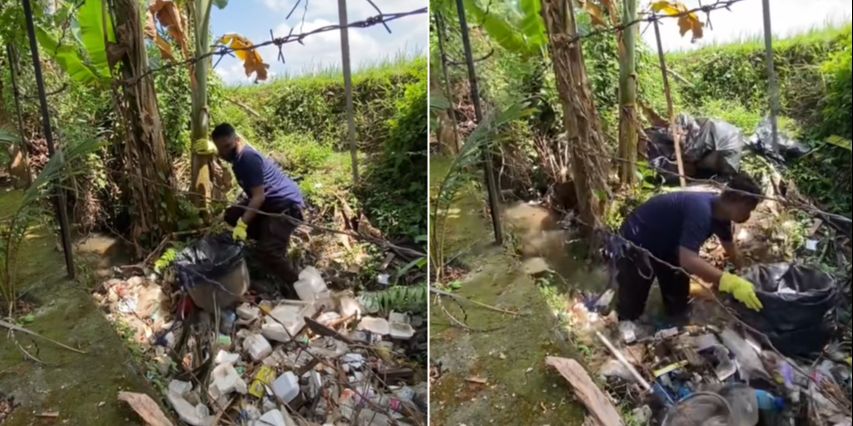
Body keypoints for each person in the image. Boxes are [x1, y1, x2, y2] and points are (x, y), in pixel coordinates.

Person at [613, 173, 764, 327]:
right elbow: (688, 260)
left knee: (678, 300)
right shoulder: (701, 211)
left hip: (669, 244)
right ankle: (625, 328)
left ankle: (674, 329)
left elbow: (731, 250)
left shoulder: (722, 215)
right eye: (748, 209)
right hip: (636, 239)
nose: (749, 215)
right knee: (632, 304)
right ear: (738, 201)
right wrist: (729, 282)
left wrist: (746, 275)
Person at [199, 123, 305, 295]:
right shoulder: (238, 160)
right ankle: (269, 239)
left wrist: (243, 224)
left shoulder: (247, 158)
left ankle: (299, 287)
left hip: (285, 206)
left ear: (237, 139)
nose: (225, 153)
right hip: (270, 206)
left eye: (228, 146)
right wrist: (239, 218)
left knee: (269, 252)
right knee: (232, 214)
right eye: (221, 149)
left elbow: (258, 197)